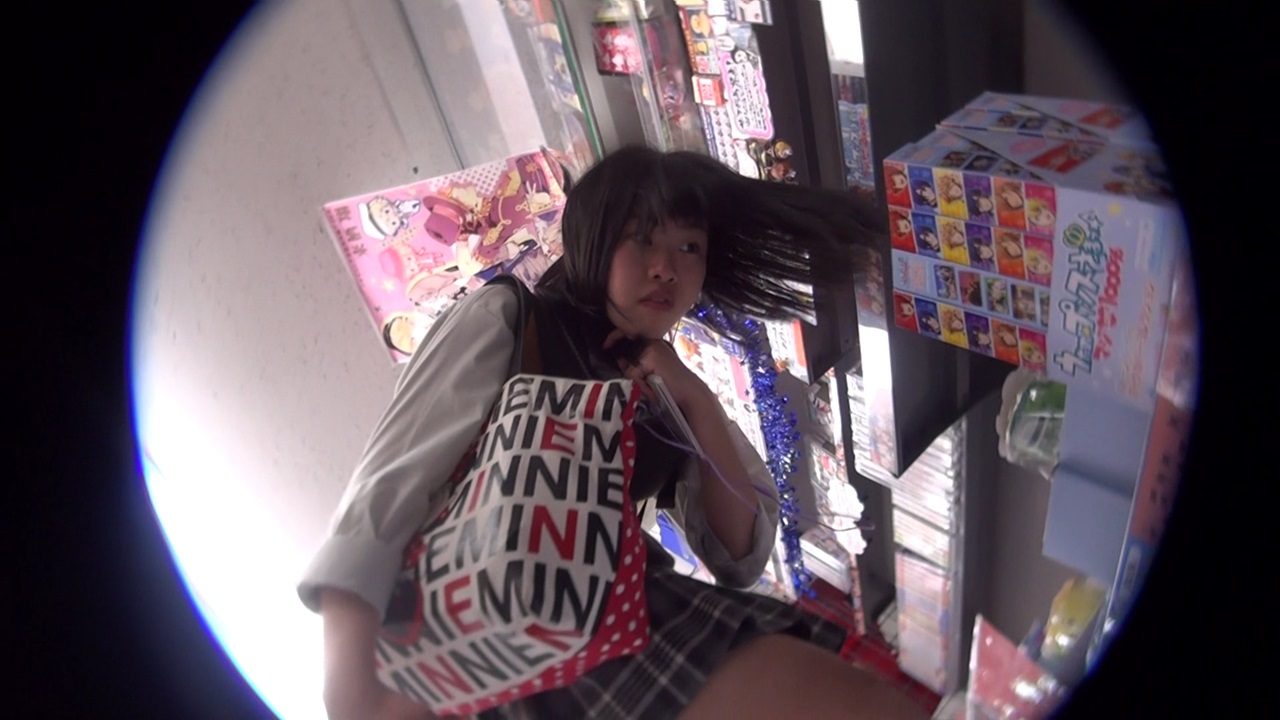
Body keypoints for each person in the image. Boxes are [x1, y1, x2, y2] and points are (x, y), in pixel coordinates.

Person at [298, 146, 931, 720]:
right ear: (593, 241)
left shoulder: (662, 383)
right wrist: (349, 683)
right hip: (477, 635)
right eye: (640, 239)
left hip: (610, 613)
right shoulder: (511, 318)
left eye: (690, 247)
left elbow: (739, 552)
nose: (666, 268)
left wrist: (696, 399)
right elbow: (390, 479)